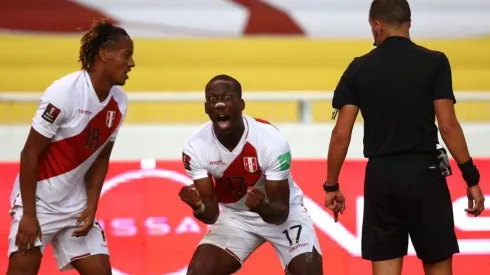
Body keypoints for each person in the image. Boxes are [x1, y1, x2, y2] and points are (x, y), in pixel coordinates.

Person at [322, 1, 486, 275]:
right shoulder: (435, 61)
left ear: (377, 25)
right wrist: (471, 178)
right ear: (409, 22)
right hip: (425, 175)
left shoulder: (359, 68)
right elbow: (448, 126)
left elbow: (341, 134)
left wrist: (331, 185)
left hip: (381, 177)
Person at [6, 18, 134, 275]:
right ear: (104, 55)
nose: (131, 63)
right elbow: (30, 153)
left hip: (75, 206)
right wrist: (29, 216)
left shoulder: (120, 101)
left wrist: (91, 206)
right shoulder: (64, 92)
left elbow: (100, 158)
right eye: (126, 55)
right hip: (38, 204)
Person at [178, 74, 323, 275]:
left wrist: (261, 206)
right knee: (198, 272)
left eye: (227, 98)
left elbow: (280, 213)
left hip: (284, 213)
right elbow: (210, 215)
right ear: (205, 108)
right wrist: (197, 206)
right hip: (237, 217)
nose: (219, 104)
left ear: (242, 104)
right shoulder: (195, 148)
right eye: (212, 99)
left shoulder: (271, 141)